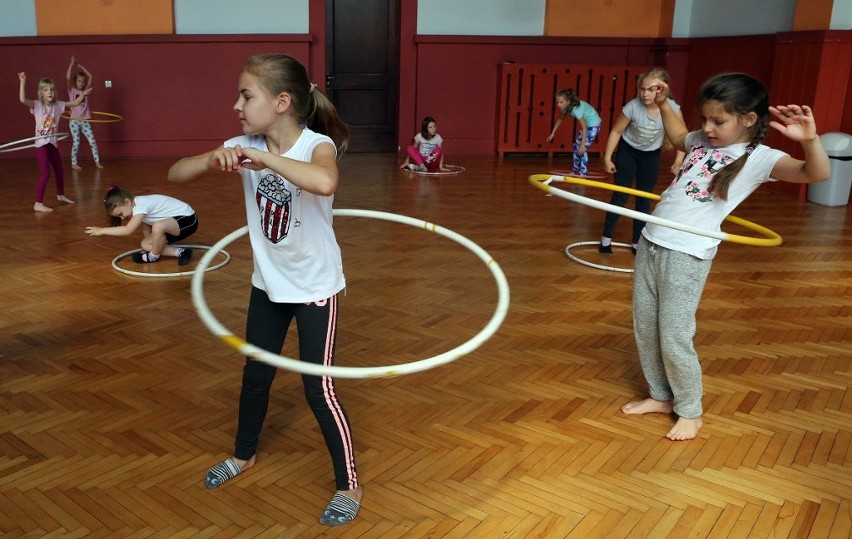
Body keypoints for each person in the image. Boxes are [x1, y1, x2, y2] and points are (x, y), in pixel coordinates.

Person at [167, 53, 362, 526]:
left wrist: (262, 158)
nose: (236, 104)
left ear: (281, 101)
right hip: (268, 286)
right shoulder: (240, 143)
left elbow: (324, 180)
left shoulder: (317, 145)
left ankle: (349, 484)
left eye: (246, 95)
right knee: (255, 377)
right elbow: (175, 174)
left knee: (319, 389)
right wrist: (211, 158)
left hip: (315, 285)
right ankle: (243, 455)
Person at [622, 72, 830, 441]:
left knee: (674, 334)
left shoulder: (761, 158)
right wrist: (664, 100)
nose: (708, 128)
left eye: (718, 121)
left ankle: (690, 410)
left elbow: (815, 173)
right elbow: (675, 136)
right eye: (705, 119)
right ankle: (660, 396)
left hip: (687, 254)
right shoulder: (702, 139)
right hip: (651, 239)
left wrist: (810, 141)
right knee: (646, 326)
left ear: (749, 119)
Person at [599, 68, 686, 254]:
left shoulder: (672, 109)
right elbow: (616, 131)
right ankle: (606, 238)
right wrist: (607, 157)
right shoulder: (632, 107)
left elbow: (682, 136)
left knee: (644, 198)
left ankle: (637, 242)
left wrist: (679, 160)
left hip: (650, 155)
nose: (645, 94)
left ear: (662, 90)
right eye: (642, 89)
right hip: (627, 152)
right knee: (620, 195)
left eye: (650, 89)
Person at [18, 72, 90, 212]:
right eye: (46, 90)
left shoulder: (59, 105)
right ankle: (38, 203)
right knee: (45, 174)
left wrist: (84, 94)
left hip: (52, 143)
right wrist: (22, 81)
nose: (49, 92)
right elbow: (22, 100)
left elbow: (75, 103)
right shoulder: (37, 105)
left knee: (60, 171)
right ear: (41, 93)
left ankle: (61, 195)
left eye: (51, 89)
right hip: (41, 145)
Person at [84, 186, 196, 265]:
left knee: (158, 226)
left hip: (187, 220)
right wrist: (151, 244)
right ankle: (181, 252)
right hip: (171, 226)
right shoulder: (136, 207)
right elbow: (147, 227)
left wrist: (102, 230)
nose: (122, 218)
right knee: (146, 244)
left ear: (127, 202)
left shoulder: (141, 205)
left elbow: (128, 230)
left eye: (121, 214)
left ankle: (153, 257)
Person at [547, 88, 602, 176]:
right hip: (587, 127)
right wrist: (553, 132)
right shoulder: (567, 107)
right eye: (557, 102)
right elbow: (560, 119)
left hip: (593, 125)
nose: (558, 105)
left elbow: (584, 128)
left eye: (561, 102)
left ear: (568, 101)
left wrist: (583, 145)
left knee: (582, 149)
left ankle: (583, 173)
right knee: (576, 146)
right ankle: (575, 171)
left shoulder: (576, 110)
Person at [66, 56, 103, 171]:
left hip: (85, 121)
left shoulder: (85, 91)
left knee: (92, 141)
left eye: (83, 81)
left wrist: (81, 66)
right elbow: (67, 78)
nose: (81, 83)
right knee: (76, 143)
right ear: (75, 82)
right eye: (79, 81)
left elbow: (91, 77)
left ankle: (97, 162)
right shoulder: (72, 90)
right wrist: (71, 64)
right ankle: (73, 163)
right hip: (74, 121)